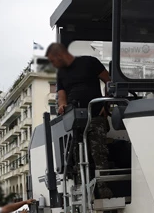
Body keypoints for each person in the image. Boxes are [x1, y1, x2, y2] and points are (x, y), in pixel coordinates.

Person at [46, 42, 113, 198]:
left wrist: (107, 103)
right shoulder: (61, 73)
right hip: (75, 120)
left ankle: (104, 190)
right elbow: (61, 94)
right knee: (78, 157)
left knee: (99, 154)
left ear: (60, 55)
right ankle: (84, 191)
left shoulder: (89, 62)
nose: (53, 64)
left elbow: (108, 81)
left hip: (95, 114)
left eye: (53, 60)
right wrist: (62, 105)